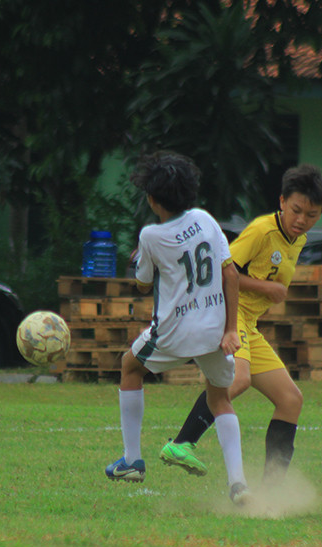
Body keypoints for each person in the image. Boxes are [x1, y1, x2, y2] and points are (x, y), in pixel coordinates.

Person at [158, 165, 322, 487]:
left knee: (291, 399)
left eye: (311, 215)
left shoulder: (299, 240)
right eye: (296, 210)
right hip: (228, 314)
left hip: (249, 324)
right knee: (238, 380)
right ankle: (181, 443)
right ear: (282, 201)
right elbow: (225, 272)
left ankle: (272, 486)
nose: (301, 220)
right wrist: (268, 289)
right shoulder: (262, 231)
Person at [103, 151, 249, 505]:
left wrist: (141, 262)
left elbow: (142, 283)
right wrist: (231, 329)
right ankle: (239, 483)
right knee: (219, 398)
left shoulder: (150, 235)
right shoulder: (206, 219)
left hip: (173, 331)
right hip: (216, 330)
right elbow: (231, 273)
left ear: (152, 200)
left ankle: (132, 460)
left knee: (130, 366)